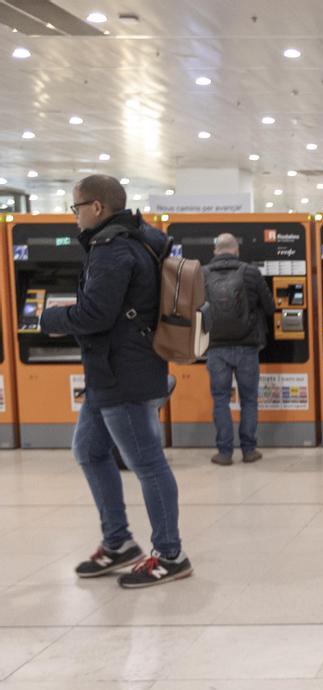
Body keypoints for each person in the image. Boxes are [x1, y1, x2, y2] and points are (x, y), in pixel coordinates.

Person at [43, 174, 192, 588]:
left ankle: (170, 554)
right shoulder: (136, 238)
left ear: (96, 207)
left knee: (147, 463)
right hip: (113, 371)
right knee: (89, 450)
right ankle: (119, 542)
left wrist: (49, 318)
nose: (73, 217)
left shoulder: (112, 249)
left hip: (124, 375)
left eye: (75, 208)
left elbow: (95, 316)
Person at [203, 232, 274, 466]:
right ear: (236, 250)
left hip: (215, 347)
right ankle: (249, 450)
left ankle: (224, 452)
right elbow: (270, 307)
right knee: (249, 399)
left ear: (216, 251)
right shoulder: (250, 272)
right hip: (247, 346)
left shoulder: (202, 274)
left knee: (221, 399)